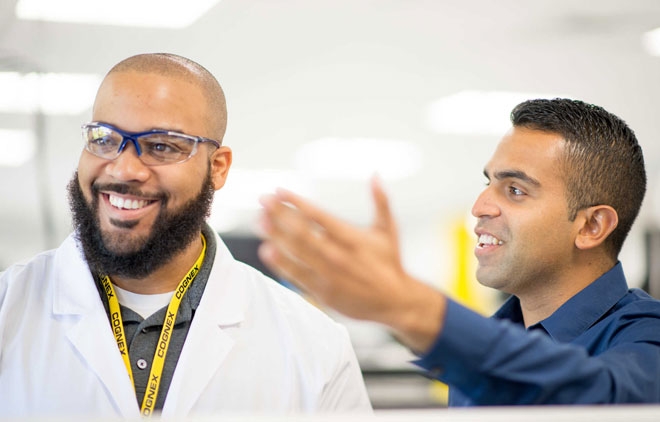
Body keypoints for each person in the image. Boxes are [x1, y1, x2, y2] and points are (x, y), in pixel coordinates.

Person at [0, 53, 371, 418]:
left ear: (217, 168)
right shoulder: (7, 308)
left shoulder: (315, 345)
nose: (124, 168)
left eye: (161, 146)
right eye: (104, 138)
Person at [259, 98, 660, 405]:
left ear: (591, 226)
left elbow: (597, 397)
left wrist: (409, 308)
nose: (480, 206)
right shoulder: (489, 343)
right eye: (488, 183)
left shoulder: (647, 337)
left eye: (515, 190)